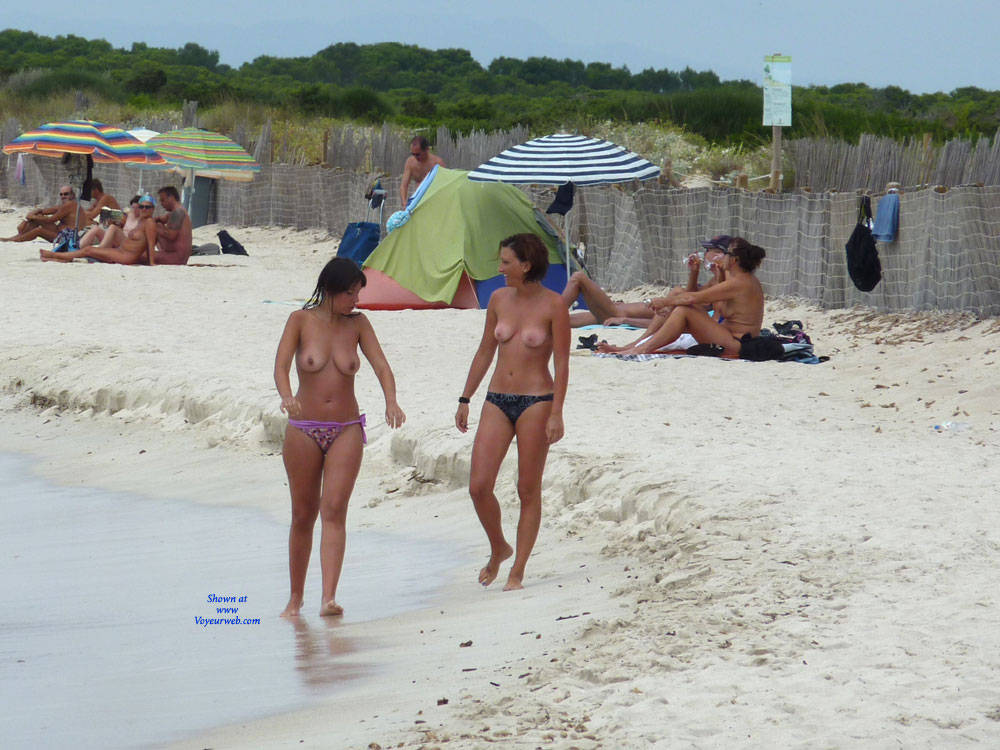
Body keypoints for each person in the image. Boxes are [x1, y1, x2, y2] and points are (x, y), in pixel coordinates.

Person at [274, 257, 406, 618]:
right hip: (303, 428)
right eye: (350, 293)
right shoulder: (300, 320)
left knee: (334, 509)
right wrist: (286, 396)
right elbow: (281, 366)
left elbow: (381, 366)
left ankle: (328, 597)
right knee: (303, 514)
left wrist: (391, 401)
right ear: (331, 289)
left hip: (346, 428)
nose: (356, 301)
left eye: (358, 293)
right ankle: (295, 598)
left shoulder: (358, 325)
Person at [455, 233, 570, 591]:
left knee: (527, 489)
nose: (500, 268)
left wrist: (557, 412)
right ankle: (499, 547)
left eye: (506, 262)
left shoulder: (554, 306)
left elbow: (562, 363)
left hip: (537, 401)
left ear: (526, 265)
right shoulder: (498, 299)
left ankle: (517, 571)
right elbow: (484, 351)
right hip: (497, 399)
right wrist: (465, 397)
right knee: (478, 486)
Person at [599, 237, 765, 356]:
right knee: (681, 304)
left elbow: (693, 298)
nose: (723, 257)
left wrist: (663, 302)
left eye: (726, 254)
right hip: (727, 336)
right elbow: (704, 300)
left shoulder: (739, 283)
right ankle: (636, 346)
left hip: (737, 344)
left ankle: (641, 348)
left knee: (683, 310)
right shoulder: (737, 280)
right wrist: (702, 274)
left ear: (734, 260)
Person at [560, 235, 733, 328]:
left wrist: (627, 321)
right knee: (594, 316)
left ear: (721, 254)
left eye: (709, 250)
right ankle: (550, 322)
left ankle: (551, 315)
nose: (705, 254)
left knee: (579, 278)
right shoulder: (715, 279)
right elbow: (690, 296)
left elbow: (685, 308)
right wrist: (694, 272)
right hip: (647, 309)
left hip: (637, 313)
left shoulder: (725, 281)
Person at [40, 194, 157, 265]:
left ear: (153, 209)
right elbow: (102, 218)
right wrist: (108, 216)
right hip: (121, 250)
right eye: (141, 207)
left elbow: (151, 244)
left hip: (126, 256)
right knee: (93, 243)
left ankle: (55, 255)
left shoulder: (149, 222)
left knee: (89, 250)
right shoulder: (136, 218)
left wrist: (151, 262)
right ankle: (60, 257)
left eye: (147, 207)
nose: (143, 209)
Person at [2, 186, 79, 242]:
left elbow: (50, 220)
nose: (63, 196)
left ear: (73, 195)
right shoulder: (61, 207)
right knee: (37, 218)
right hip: (58, 232)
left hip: (65, 237)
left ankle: (14, 239)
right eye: (61, 194)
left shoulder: (73, 207)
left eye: (66, 194)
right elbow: (40, 212)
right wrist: (33, 215)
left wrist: (32, 216)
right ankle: (17, 236)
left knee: (38, 230)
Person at [399, 136, 444, 207]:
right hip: (418, 200)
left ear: (426, 150)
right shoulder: (410, 162)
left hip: (434, 200)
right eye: (413, 154)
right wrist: (404, 203)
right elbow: (404, 185)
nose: (415, 157)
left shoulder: (437, 163)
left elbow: (444, 185)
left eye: (418, 154)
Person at [153, 186, 193, 265]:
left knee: (142, 256)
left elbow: (171, 235)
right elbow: (162, 219)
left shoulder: (177, 212)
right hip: (179, 257)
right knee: (156, 224)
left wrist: (155, 228)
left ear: (171, 197)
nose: (161, 204)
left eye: (163, 200)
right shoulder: (177, 211)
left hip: (176, 257)